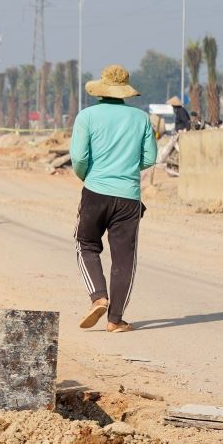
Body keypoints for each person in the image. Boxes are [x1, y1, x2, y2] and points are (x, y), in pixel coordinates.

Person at [70, 64, 157, 333]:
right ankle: (115, 319)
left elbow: (79, 158)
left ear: (101, 89)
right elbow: (150, 158)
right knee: (124, 258)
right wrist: (127, 170)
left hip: (96, 192)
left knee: (85, 244)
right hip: (129, 197)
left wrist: (90, 177)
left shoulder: (87, 116)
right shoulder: (141, 119)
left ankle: (98, 296)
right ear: (125, 92)